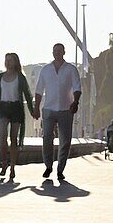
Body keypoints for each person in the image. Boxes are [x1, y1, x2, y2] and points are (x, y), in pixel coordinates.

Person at [33, 43, 82, 181]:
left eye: (59, 51)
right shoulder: (46, 70)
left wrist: (75, 102)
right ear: (52, 52)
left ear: (64, 52)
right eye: (55, 51)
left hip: (66, 109)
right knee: (47, 137)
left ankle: (60, 169)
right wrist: (36, 107)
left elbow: (77, 87)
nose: (57, 53)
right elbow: (39, 90)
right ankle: (48, 166)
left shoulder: (71, 69)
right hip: (48, 108)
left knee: (65, 140)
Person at [0, 52, 36, 180]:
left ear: (16, 62)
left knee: (14, 138)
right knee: (3, 136)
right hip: (2, 108)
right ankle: (4, 162)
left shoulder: (20, 77)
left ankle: (12, 167)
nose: (8, 62)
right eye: (6, 60)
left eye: (10, 60)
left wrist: (33, 111)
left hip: (16, 108)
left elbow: (27, 94)